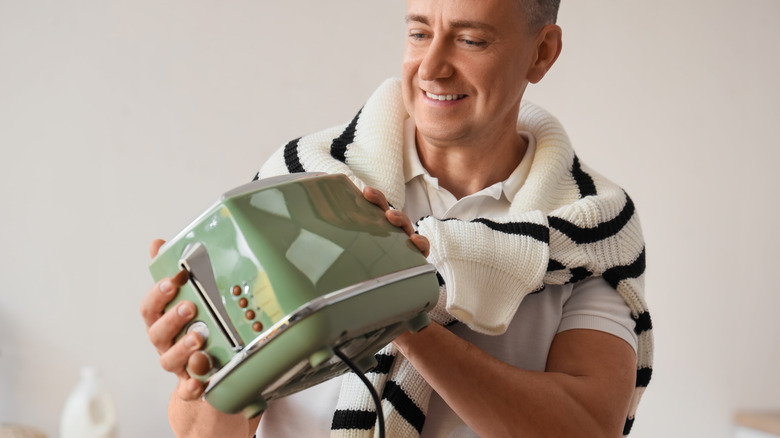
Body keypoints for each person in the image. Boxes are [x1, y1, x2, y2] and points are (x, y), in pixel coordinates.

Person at [140, 0, 654, 437]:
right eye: (419, 32)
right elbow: (201, 429)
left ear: (542, 53)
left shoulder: (589, 226)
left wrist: (401, 306)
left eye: (471, 40)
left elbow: (589, 425)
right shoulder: (302, 183)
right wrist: (204, 378)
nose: (431, 67)